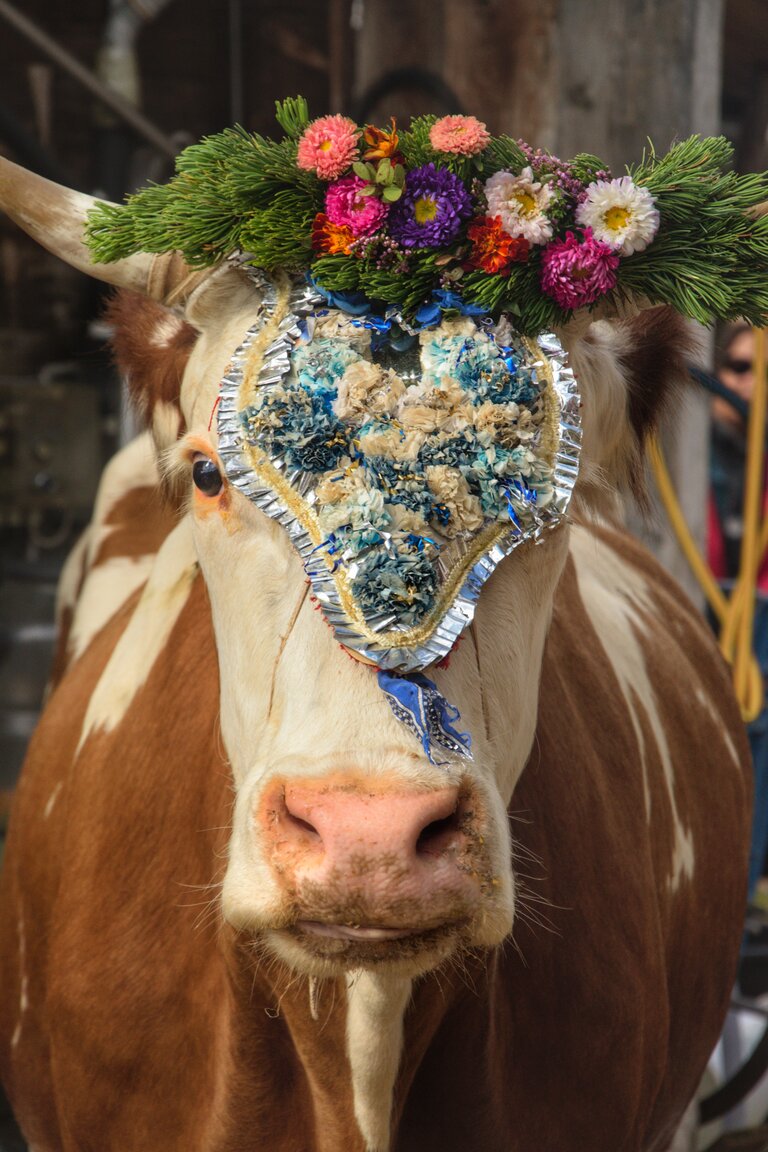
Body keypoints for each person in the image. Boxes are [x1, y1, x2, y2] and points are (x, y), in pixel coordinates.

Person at [708, 324, 768, 903]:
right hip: (701, 610)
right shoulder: (691, 452)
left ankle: (738, 901)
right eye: (740, 368)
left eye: (763, 372)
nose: (750, 384)